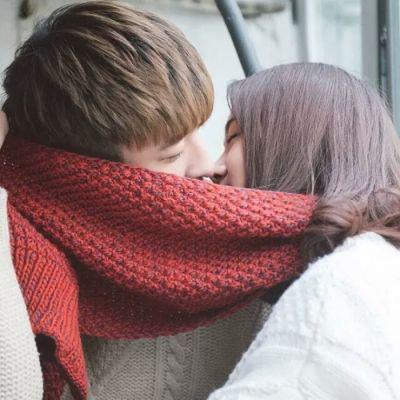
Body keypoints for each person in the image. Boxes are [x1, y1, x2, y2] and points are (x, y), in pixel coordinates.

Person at [0, 3, 314, 400]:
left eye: (201, 133)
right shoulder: (19, 257)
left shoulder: (271, 257)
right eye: (172, 154)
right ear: (91, 181)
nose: (206, 165)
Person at [209, 63, 400, 399]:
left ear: (295, 145)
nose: (215, 167)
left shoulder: (335, 289)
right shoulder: (376, 265)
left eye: (233, 137)